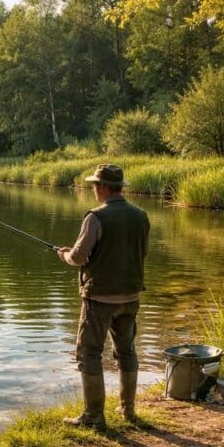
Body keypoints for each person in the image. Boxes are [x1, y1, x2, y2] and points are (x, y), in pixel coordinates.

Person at [56, 163, 149, 430]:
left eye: (95, 185)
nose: (94, 190)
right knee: (126, 351)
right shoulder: (141, 215)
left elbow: (78, 257)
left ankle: (94, 416)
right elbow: (143, 252)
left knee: (88, 353)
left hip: (99, 298)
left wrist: (64, 255)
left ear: (105, 187)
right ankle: (128, 410)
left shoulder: (96, 217)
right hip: (131, 296)